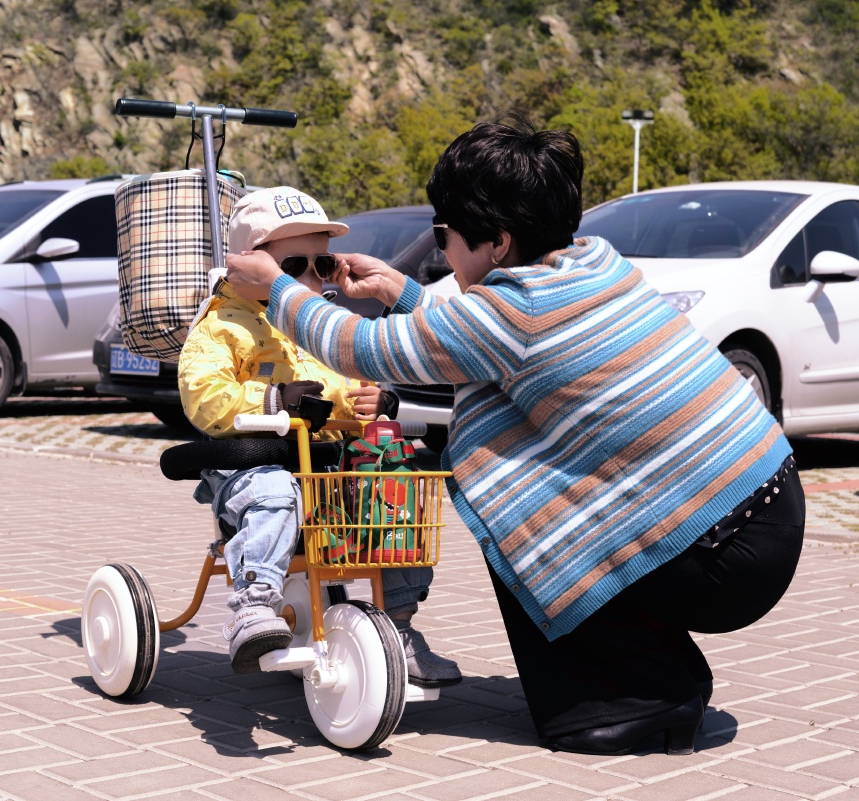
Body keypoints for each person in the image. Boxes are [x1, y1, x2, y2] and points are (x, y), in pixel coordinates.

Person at [223, 117, 805, 755]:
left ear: (498, 242)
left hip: (718, 554)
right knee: (543, 505)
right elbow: (489, 339)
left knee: (521, 521)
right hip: (762, 513)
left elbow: (366, 348)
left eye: (443, 234)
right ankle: (660, 682)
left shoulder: (515, 310)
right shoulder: (593, 265)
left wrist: (277, 288)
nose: (442, 249)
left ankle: (638, 700)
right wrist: (400, 290)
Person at [178, 186, 461, 687]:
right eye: (293, 267)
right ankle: (253, 604)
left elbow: (346, 385)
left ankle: (398, 625)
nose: (309, 280)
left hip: (325, 468)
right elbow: (204, 397)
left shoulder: (317, 324)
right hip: (254, 461)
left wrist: (376, 400)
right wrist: (273, 400)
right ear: (247, 263)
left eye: (322, 266)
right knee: (273, 490)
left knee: (394, 490)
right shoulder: (220, 326)